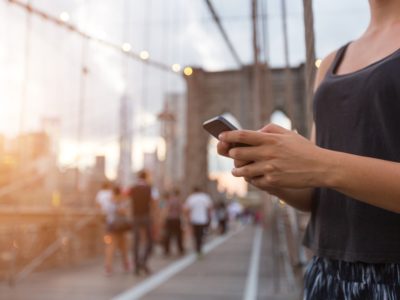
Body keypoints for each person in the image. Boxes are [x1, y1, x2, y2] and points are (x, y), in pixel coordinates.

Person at [217, 1, 400, 298]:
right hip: (327, 276)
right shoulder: (331, 63)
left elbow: (322, 167)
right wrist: (269, 172)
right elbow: (318, 194)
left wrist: (317, 163)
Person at [129, 170, 154, 276]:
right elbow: (154, 203)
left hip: (135, 216)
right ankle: (143, 261)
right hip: (146, 216)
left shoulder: (132, 189)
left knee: (136, 241)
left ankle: (136, 265)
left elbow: (128, 202)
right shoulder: (149, 188)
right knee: (150, 241)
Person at [102, 186, 130, 276]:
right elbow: (124, 212)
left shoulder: (110, 202)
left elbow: (106, 211)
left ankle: (109, 266)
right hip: (119, 226)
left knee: (112, 246)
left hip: (112, 225)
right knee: (122, 246)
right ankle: (125, 264)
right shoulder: (120, 202)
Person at [185, 187, 212, 256]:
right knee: (201, 235)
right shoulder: (204, 197)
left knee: (196, 235)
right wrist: (209, 217)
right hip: (203, 219)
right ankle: (199, 248)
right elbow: (209, 208)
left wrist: (188, 218)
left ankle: (198, 248)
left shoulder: (191, 198)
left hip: (194, 220)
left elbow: (186, 209)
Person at [163, 188, 185, 256]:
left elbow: (166, 209)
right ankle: (180, 249)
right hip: (176, 219)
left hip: (169, 219)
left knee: (168, 235)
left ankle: (167, 250)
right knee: (179, 235)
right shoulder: (178, 200)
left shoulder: (169, 200)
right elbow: (182, 210)